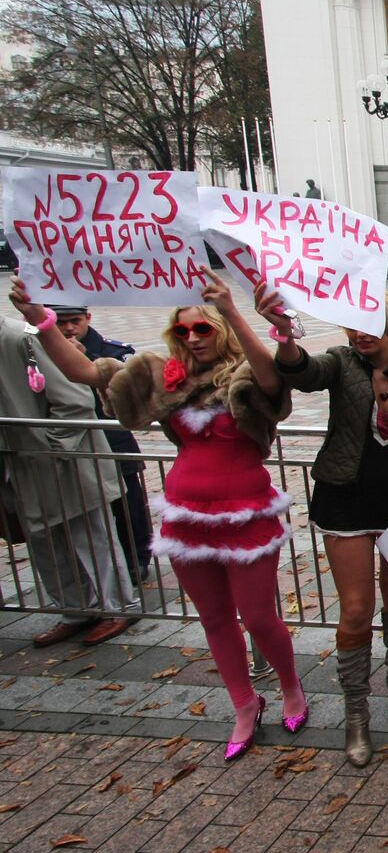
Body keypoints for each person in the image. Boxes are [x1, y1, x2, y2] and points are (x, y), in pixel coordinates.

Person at [9, 273, 306, 762]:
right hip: (185, 517)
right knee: (213, 617)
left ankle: (292, 690)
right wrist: (39, 321)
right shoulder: (163, 374)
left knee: (257, 616)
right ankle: (243, 704)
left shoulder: (246, 374)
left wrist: (234, 310)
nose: (192, 338)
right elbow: (86, 372)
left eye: (202, 329)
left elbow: (274, 381)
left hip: (247, 514)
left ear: (221, 330)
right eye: (184, 331)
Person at [259, 293, 388, 766]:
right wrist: (284, 335)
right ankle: (357, 713)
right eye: (351, 324)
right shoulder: (341, 363)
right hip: (346, 500)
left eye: (370, 321)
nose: (360, 332)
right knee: (356, 609)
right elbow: (302, 372)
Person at [0, 316, 137, 647]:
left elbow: (74, 401)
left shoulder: (21, 338)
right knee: (43, 541)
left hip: (60, 457)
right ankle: (75, 610)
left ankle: (118, 607)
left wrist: (51, 446)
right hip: (18, 461)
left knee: (91, 536)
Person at [52, 304, 153, 583]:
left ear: (88, 318)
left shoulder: (110, 350)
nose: (69, 328)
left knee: (127, 505)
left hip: (113, 439)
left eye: (75, 320)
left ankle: (137, 559)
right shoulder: (42, 350)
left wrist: (89, 360)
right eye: (61, 322)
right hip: (71, 442)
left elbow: (129, 385)